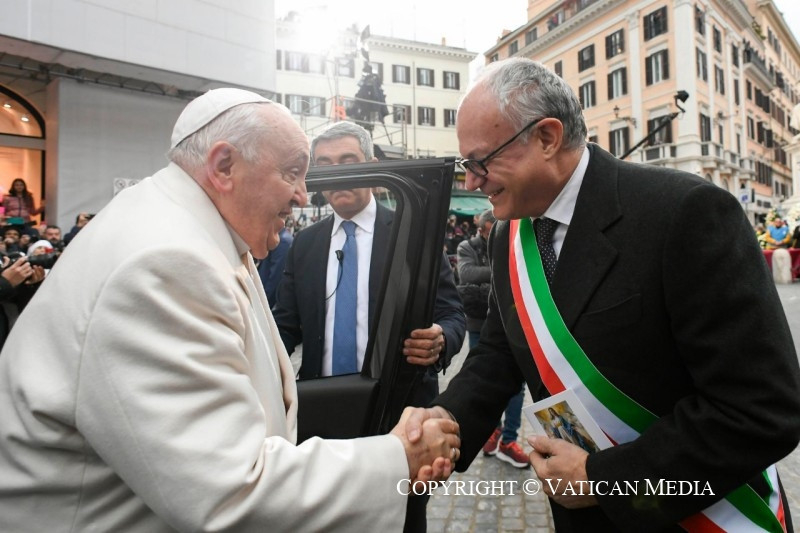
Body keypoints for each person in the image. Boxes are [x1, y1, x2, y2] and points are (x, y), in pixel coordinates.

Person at [0, 88, 461, 532]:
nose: (304, 195)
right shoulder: (164, 263)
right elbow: (230, 491)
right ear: (224, 166)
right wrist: (399, 456)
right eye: (294, 173)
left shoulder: (188, 232)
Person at [404, 58, 800, 531]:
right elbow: (498, 353)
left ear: (546, 137)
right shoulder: (508, 235)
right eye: (465, 166)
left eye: (481, 161)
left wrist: (603, 481)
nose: (471, 181)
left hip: (699, 514)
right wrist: (443, 422)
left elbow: (760, 409)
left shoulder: (685, 212)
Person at [271, 120, 466, 532]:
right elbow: (284, 326)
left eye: (349, 161)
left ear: (374, 168)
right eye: (325, 165)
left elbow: (451, 314)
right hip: (323, 413)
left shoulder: (413, 230)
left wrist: (441, 340)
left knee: (403, 520)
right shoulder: (305, 243)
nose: (339, 174)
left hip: (398, 414)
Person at [457, 209, 528, 468]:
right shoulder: (467, 246)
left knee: (517, 385)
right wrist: (505, 268)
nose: (493, 235)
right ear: (483, 229)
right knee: (484, 376)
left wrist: (500, 270)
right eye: (489, 232)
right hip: (478, 323)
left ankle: (509, 439)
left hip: (513, 322)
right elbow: (467, 274)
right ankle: (493, 430)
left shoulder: (514, 240)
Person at [257, 224, 292, 307]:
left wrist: (261, 305)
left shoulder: (283, 242)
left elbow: (275, 279)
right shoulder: (279, 238)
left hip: (267, 302)